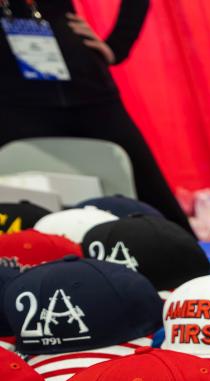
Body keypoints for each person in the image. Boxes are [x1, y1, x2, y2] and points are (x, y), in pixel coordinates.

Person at [0, 0, 192, 233]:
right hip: (12, 96)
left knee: (151, 197)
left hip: (84, 84)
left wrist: (117, 45)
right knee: (16, 206)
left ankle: (187, 260)